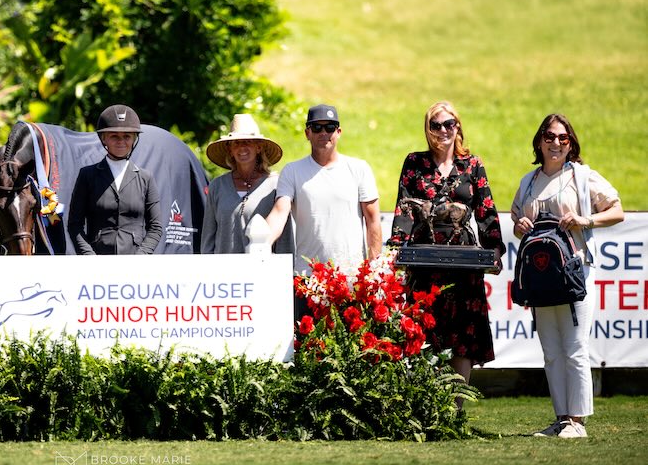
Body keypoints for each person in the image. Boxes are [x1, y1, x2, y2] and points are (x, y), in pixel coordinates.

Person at [511, 113, 623, 439]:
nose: (555, 143)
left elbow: (616, 210)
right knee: (550, 350)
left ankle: (578, 420)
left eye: (562, 137)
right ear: (539, 142)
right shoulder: (529, 182)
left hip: (576, 272)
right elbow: (519, 220)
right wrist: (519, 226)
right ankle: (561, 418)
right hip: (540, 275)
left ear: (570, 143)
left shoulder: (582, 176)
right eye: (549, 136)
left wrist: (584, 220)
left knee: (575, 346)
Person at [387, 101, 503, 388]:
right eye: (435, 125)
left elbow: (486, 211)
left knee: (463, 337)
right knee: (425, 333)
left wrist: (495, 250)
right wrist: (395, 248)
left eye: (448, 124)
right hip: (424, 262)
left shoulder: (473, 165)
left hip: (464, 262)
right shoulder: (415, 163)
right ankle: (431, 407)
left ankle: (457, 410)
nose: (442, 130)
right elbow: (404, 209)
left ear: (458, 127)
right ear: (427, 129)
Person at [265, 104, 382, 276]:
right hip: (308, 277)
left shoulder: (359, 168)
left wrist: (374, 270)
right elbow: (279, 212)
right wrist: (261, 242)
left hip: (352, 276)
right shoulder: (292, 171)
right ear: (307, 133)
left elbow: (373, 221)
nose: (323, 133)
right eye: (317, 127)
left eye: (329, 127)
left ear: (339, 132)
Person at [67, 104, 163, 255]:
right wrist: (88, 255)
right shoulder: (87, 175)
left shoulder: (146, 178)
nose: (121, 141)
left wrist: (141, 256)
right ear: (104, 138)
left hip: (135, 262)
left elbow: (156, 227)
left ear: (134, 139)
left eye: (126, 136)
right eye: (114, 136)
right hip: (97, 260)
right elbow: (75, 224)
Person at [201, 113, 292, 255]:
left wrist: (285, 272)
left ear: (259, 147)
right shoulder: (217, 186)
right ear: (230, 150)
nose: (242, 147)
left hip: (262, 272)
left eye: (248, 142)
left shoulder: (275, 185)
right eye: (236, 143)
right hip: (222, 274)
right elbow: (208, 239)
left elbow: (285, 238)